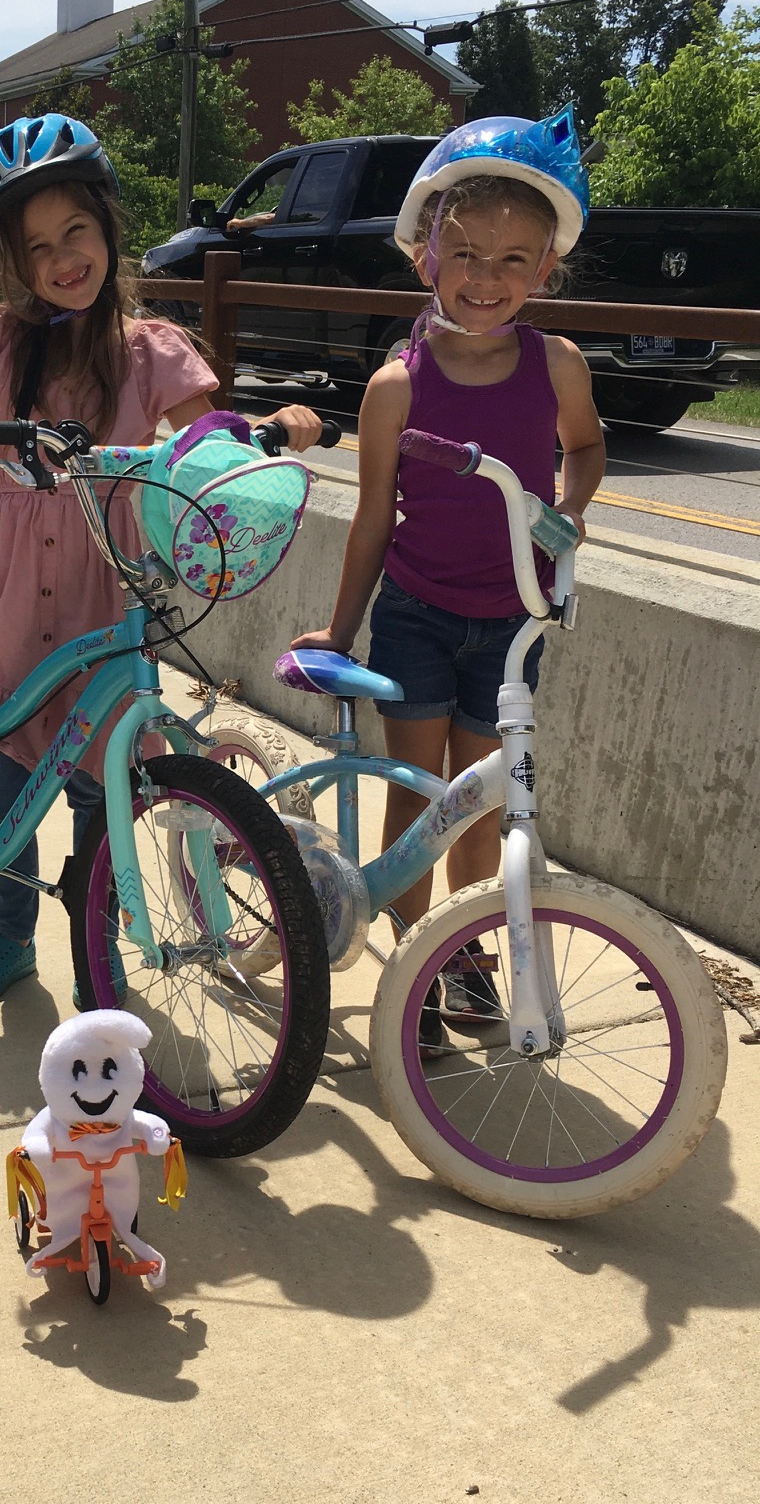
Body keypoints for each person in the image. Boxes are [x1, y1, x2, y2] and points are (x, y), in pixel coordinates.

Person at [0, 112, 322, 1009]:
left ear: (107, 228)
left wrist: (274, 435)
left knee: (106, 795)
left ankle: (95, 953)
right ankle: (10, 941)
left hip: (110, 602)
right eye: (37, 247)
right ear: (13, 264)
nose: (63, 258)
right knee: (7, 786)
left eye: (77, 232)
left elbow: (209, 447)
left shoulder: (151, 351)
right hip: (8, 603)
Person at [291, 109, 605, 1044]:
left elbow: (584, 448)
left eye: (515, 260)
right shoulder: (396, 387)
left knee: (481, 802)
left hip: (513, 627)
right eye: (466, 253)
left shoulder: (558, 365)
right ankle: (416, 973)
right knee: (415, 796)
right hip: (418, 616)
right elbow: (373, 523)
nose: (488, 278)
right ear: (424, 255)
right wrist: (340, 633)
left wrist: (570, 509)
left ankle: (463, 958)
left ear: (546, 270)